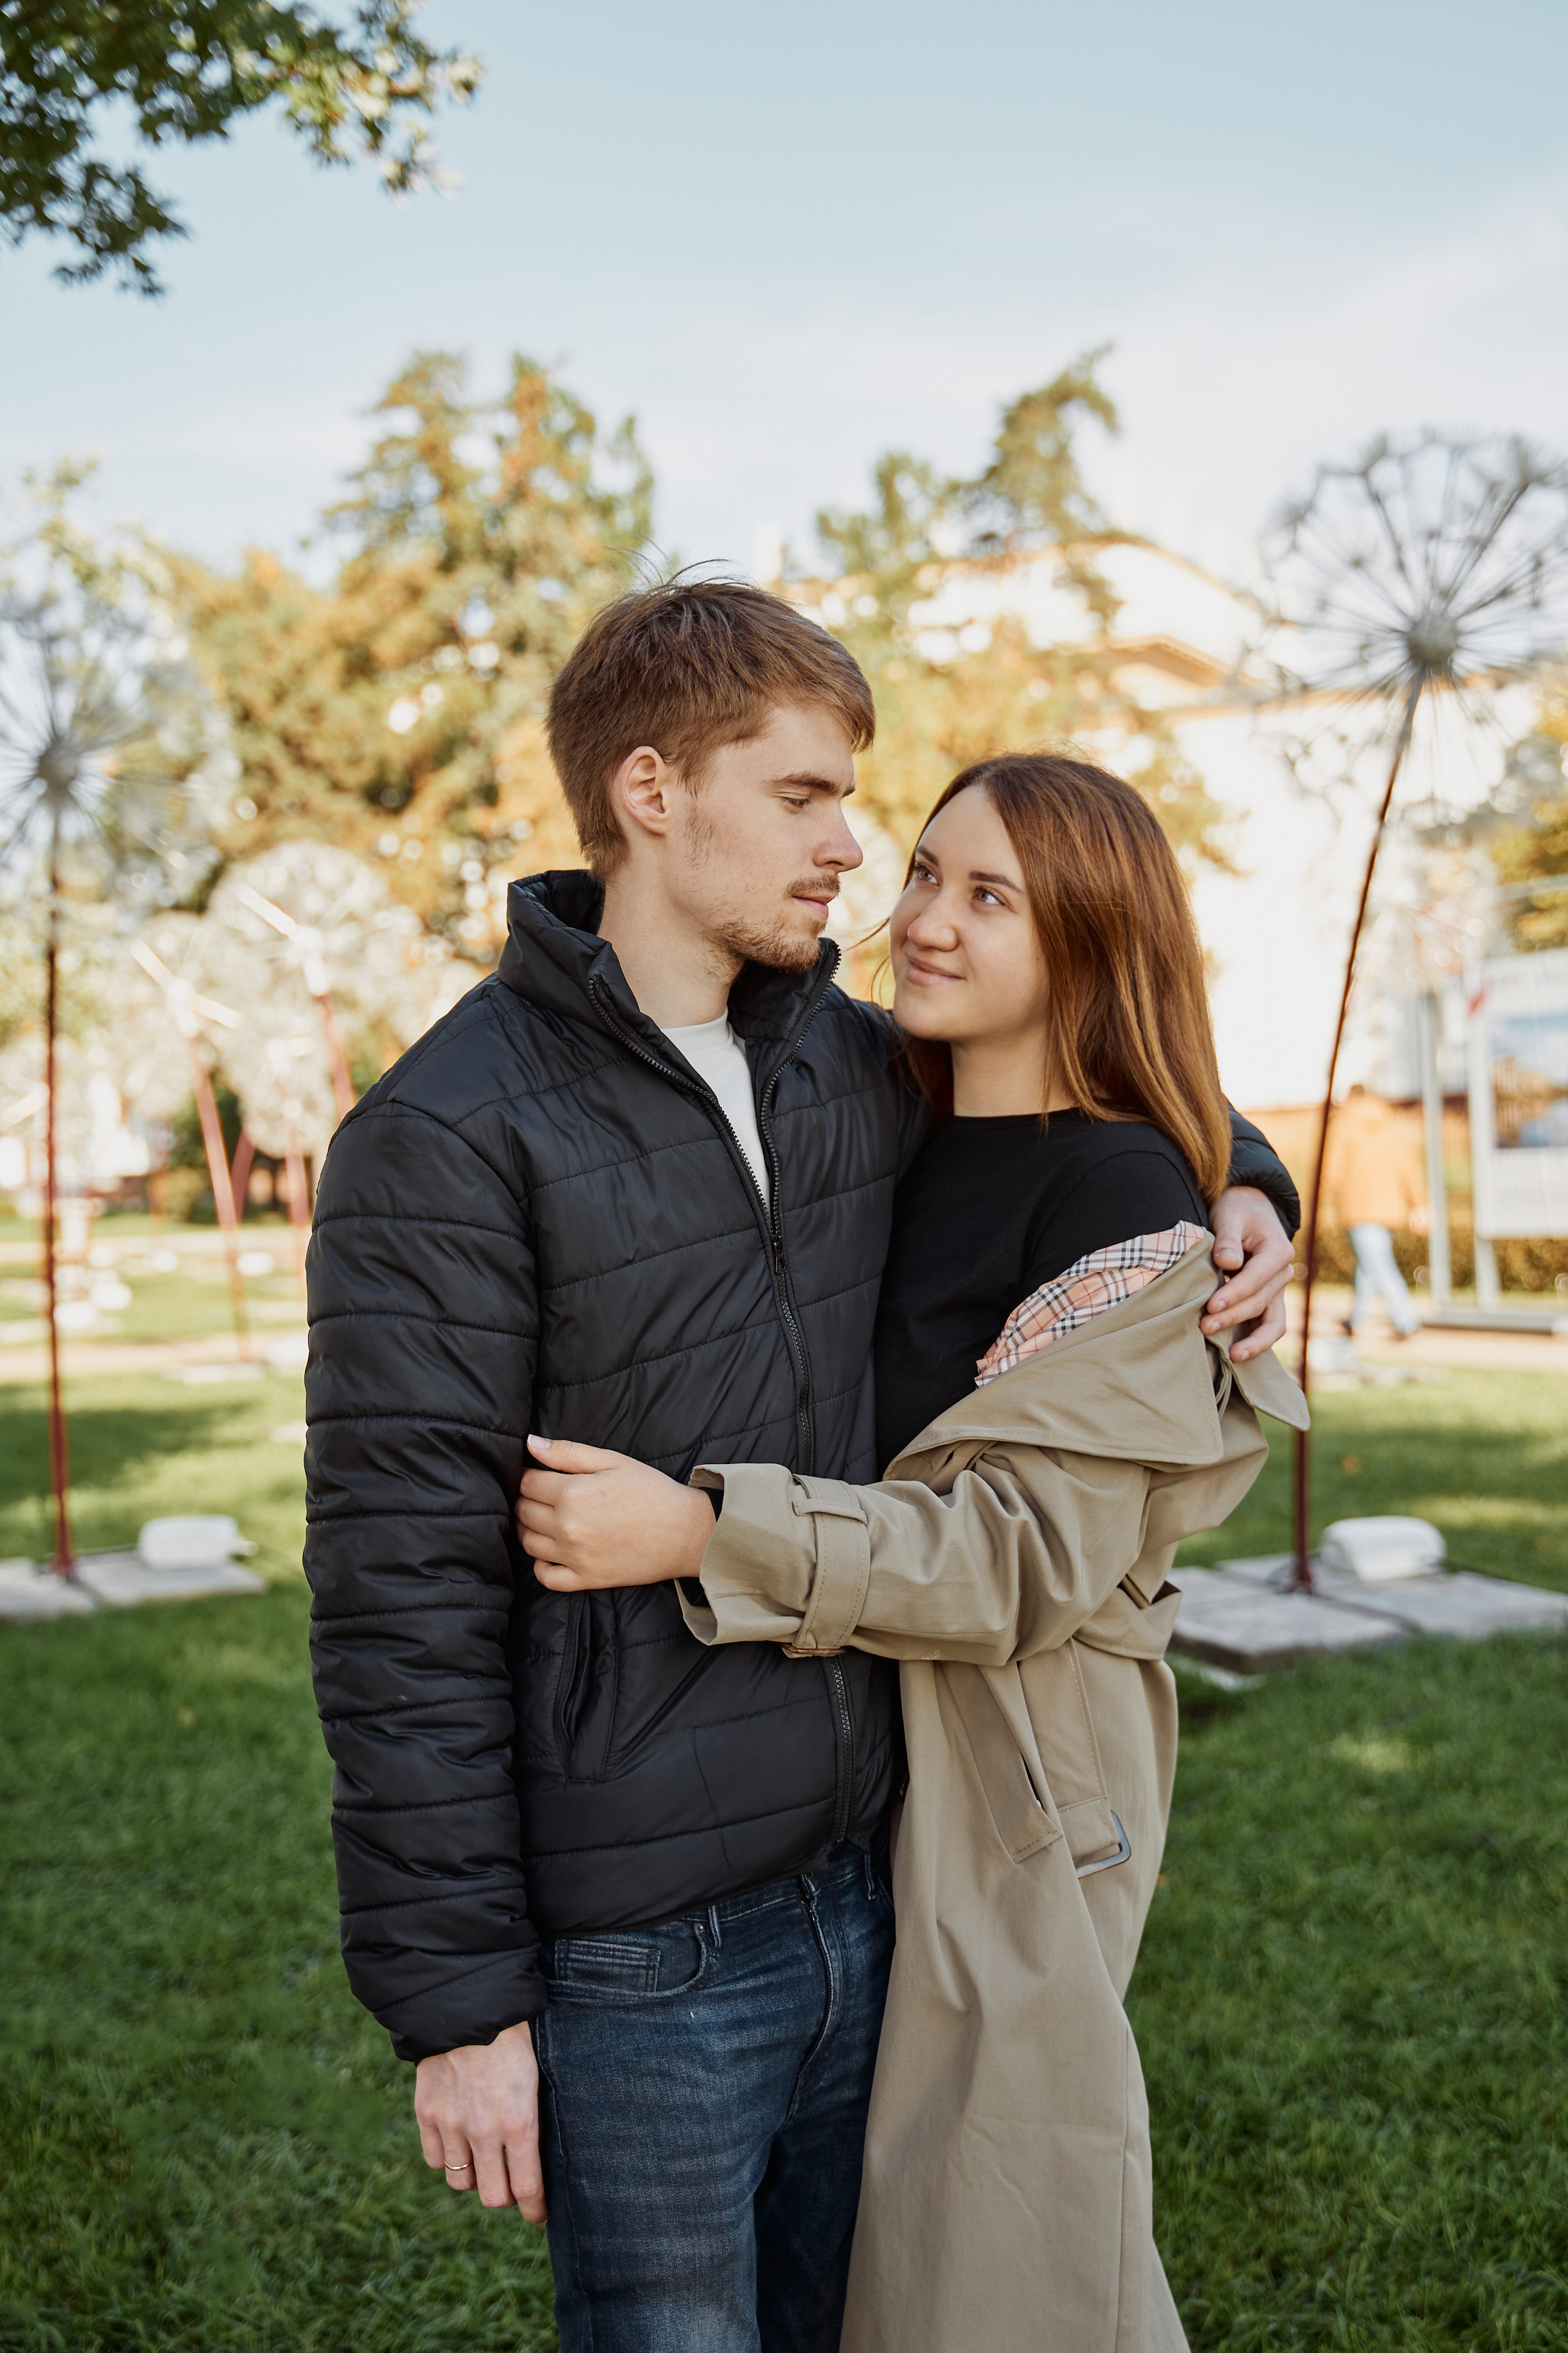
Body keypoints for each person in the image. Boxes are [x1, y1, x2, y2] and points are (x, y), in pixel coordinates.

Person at [304, 585, 1299, 2353]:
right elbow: (396, 1598)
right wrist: (457, 2010)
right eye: (808, 800)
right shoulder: (446, 1137)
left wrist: (1244, 1185)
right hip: (645, 1949)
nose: (858, 856)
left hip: (879, 1876)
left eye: (871, 816)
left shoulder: (844, 1061)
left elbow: (1076, 1062)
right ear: (649, 792)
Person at [1322, 1082, 1428, 1340]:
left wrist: (1322, 1201)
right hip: (1390, 1209)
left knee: (1379, 1264)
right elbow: (1408, 1169)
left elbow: (1330, 1171)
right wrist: (1420, 1202)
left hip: (1359, 1209)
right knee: (1370, 1263)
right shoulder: (1391, 1126)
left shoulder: (1342, 1125)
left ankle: (1406, 1320)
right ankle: (1357, 1318)